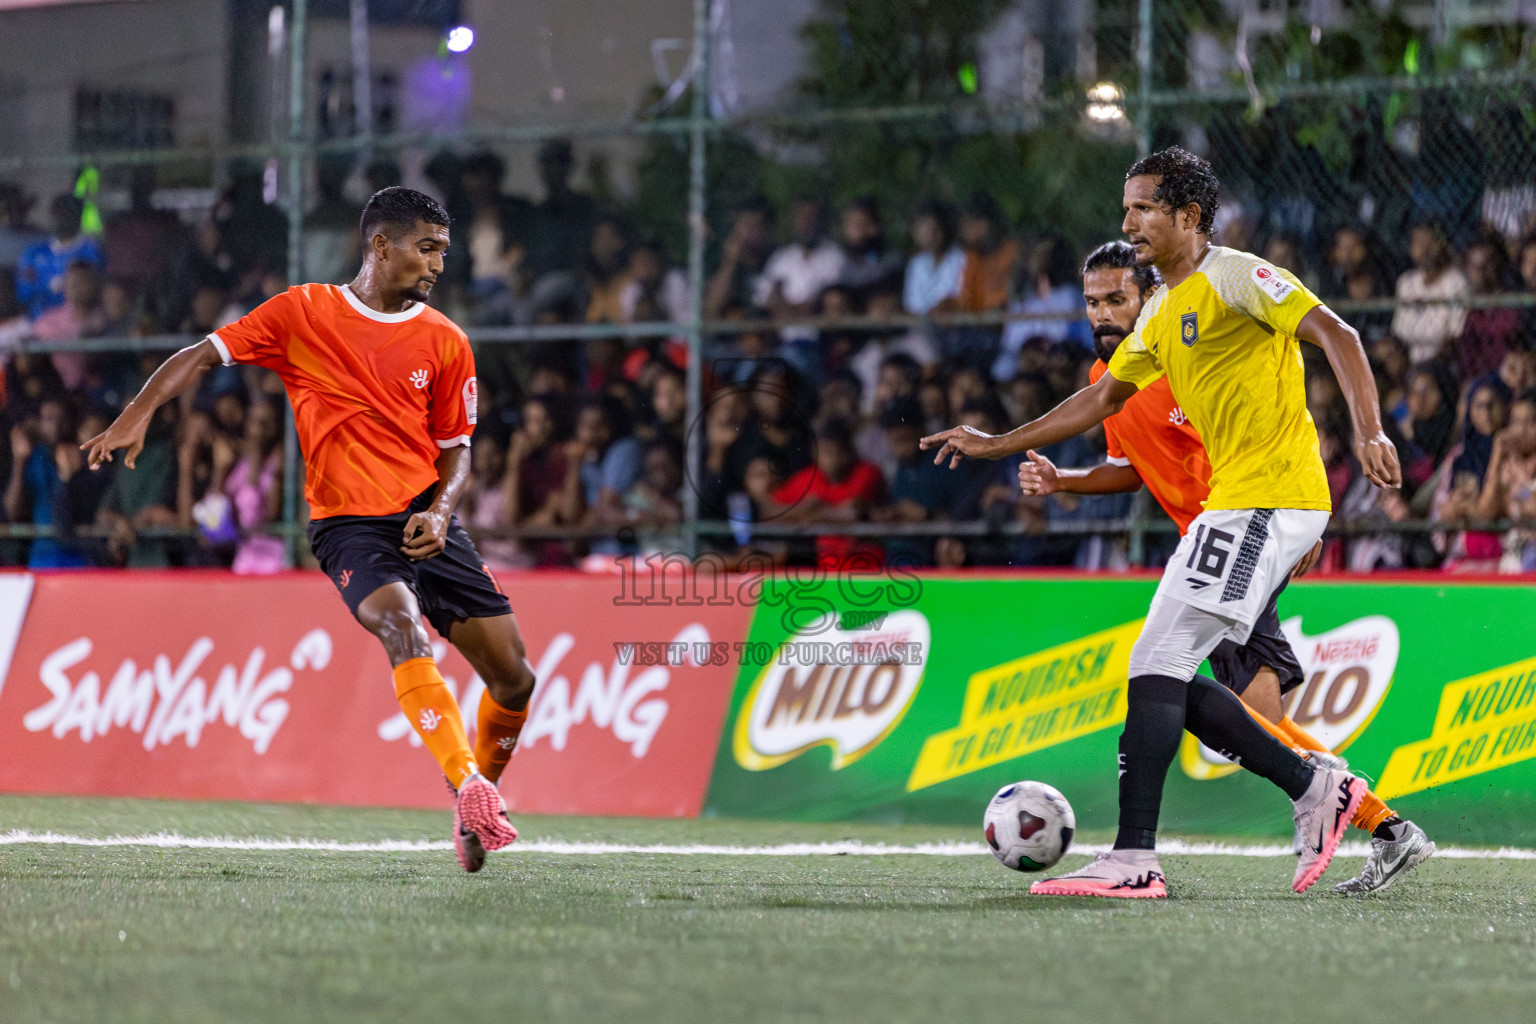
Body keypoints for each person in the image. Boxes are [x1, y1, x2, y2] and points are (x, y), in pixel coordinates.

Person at [923, 147, 1397, 898]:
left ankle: (1146, 856)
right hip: (1239, 507)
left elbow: (1338, 334)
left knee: (1164, 660)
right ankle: (1316, 794)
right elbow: (1102, 400)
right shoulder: (1167, 310)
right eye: (1127, 208)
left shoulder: (1236, 275)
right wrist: (997, 443)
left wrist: (1369, 431)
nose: (1129, 221)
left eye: (1143, 208)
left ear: (1189, 216)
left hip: (1269, 497)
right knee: (1162, 668)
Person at [82, 187, 537, 874]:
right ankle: (467, 781)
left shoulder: (446, 340)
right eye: (427, 247)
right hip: (349, 525)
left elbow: (458, 448)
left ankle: (478, 803)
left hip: (425, 518)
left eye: (444, 249)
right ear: (381, 246)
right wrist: (137, 412)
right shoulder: (303, 312)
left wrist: (442, 512)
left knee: (515, 680)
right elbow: (202, 353)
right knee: (401, 628)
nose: (439, 263)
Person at [1017, 240, 1433, 892]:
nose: (1100, 312)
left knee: (1233, 706)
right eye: (1092, 300)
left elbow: (1251, 438)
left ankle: (1369, 816)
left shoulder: (1183, 364)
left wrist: (1282, 529)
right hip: (1211, 550)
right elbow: (1129, 473)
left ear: (1147, 295)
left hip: (1239, 539)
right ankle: (1379, 823)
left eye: (1115, 298)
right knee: (1206, 698)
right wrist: (1062, 479)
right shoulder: (1113, 379)